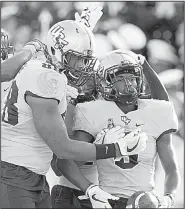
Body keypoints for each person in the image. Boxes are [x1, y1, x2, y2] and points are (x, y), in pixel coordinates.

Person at [1, 20, 147, 208]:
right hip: (14, 175)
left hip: (32, 175)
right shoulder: (44, 78)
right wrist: (117, 148)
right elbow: (62, 148)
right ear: (57, 52)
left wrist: (89, 189)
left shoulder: (45, 71)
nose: (82, 66)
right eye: (76, 58)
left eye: (85, 59)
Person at [51, 50, 180, 208]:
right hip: (103, 199)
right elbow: (63, 163)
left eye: (132, 78)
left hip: (144, 200)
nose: (128, 84)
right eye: (120, 79)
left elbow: (172, 168)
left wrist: (168, 198)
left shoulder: (155, 110)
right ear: (104, 82)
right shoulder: (89, 109)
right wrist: (99, 148)